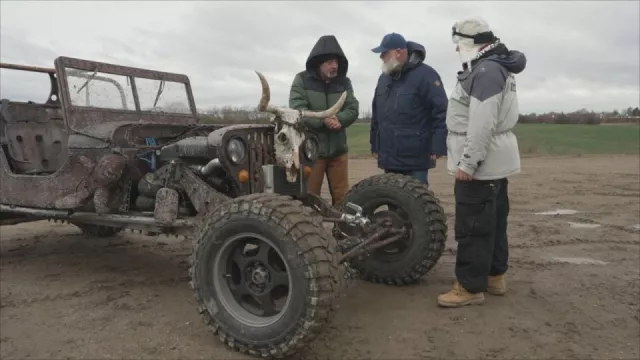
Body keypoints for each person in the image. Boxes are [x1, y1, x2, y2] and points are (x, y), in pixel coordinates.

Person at [437, 17, 527, 308]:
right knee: (495, 220)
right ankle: (494, 276)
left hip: (481, 164)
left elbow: (482, 123)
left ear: (470, 42)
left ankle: (469, 287)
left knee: (473, 225)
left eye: (458, 43)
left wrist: (468, 163)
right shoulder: (496, 65)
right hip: (495, 163)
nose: (456, 50)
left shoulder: (486, 70)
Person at [289, 35, 359, 208]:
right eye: (329, 62)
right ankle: (309, 234)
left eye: (335, 61)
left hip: (338, 152)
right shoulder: (301, 80)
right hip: (312, 152)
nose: (334, 66)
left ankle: (343, 233)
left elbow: (352, 108)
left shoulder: (345, 82)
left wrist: (340, 120)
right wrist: (323, 121)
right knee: (309, 198)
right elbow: (298, 109)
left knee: (343, 199)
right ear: (318, 63)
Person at [369, 32, 448, 185]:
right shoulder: (383, 78)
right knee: (393, 200)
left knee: (417, 203)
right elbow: (377, 114)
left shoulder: (426, 75)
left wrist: (438, 145)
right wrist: (375, 144)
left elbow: (441, 111)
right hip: (389, 157)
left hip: (415, 157)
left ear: (399, 52)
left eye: (385, 53)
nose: (381, 57)